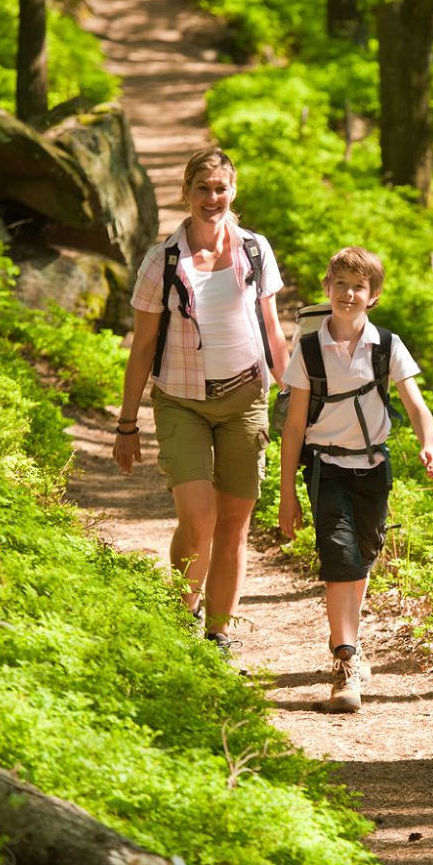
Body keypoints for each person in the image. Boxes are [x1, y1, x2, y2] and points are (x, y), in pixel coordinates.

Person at [113, 147, 289, 658]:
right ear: (186, 192)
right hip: (181, 402)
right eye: (202, 189)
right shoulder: (162, 261)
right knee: (198, 520)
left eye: (220, 189)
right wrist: (127, 424)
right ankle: (181, 611)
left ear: (233, 191)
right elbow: (143, 347)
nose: (212, 198)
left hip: (246, 400)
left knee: (234, 526)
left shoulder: (255, 250)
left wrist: (292, 394)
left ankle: (218, 637)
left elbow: (272, 330)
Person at [278, 247, 433, 714]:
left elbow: (415, 405)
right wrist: (287, 494)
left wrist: (429, 445)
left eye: (359, 287)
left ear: (373, 296)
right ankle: (345, 661)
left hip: (373, 469)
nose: (348, 294)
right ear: (327, 288)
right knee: (340, 557)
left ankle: (349, 638)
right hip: (326, 467)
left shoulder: (386, 345)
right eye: (341, 284)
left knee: (363, 556)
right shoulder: (310, 350)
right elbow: (294, 427)